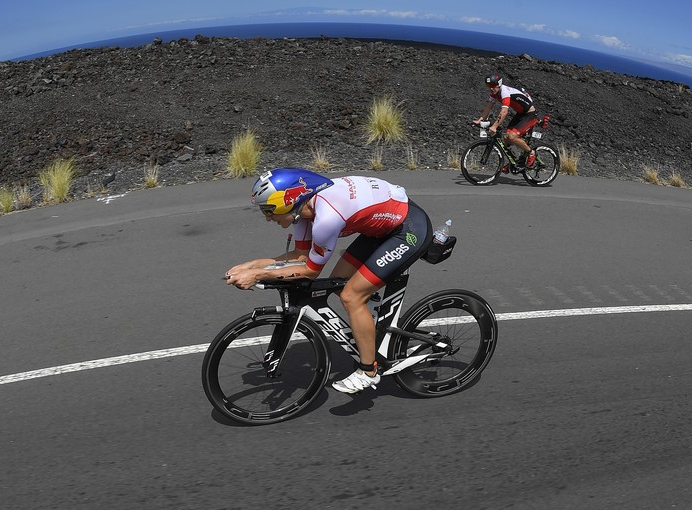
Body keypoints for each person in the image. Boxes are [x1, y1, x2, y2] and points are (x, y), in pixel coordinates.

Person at [225, 168, 433, 394]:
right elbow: (299, 256)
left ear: (288, 202)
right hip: (382, 229)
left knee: (352, 297)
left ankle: (368, 372)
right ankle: (373, 327)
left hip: (408, 230)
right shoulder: (304, 209)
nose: (267, 217)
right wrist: (253, 265)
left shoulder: (326, 218)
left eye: (269, 210)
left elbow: (309, 271)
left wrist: (257, 275)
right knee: (338, 282)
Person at [473, 71, 540, 168]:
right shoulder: (494, 93)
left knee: (512, 136)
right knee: (507, 139)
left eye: (493, 85)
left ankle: (531, 153)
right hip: (520, 114)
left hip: (530, 114)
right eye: (488, 86)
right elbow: (488, 107)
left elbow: (504, 112)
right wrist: (480, 119)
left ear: (499, 84)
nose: (491, 88)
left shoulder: (505, 92)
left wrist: (495, 126)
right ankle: (516, 161)